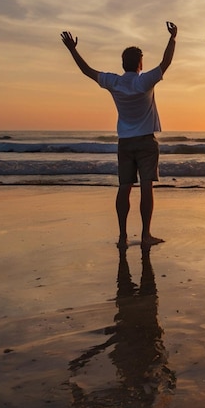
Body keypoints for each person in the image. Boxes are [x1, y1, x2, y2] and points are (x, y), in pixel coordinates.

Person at [61, 22, 177, 247]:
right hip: (145, 141)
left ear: (123, 64)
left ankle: (123, 236)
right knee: (146, 187)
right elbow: (166, 63)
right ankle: (145, 236)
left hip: (124, 143)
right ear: (140, 64)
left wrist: (72, 49)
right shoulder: (144, 81)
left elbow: (87, 71)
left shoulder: (114, 81)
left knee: (124, 187)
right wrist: (172, 38)